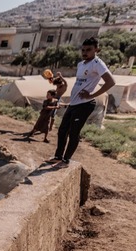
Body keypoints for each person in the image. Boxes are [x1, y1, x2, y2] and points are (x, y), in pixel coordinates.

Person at [46, 37, 115, 169]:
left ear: (96, 50)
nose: (85, 52)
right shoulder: (81, 64)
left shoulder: (97, 63)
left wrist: (92, 95)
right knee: (62, 130)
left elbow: (111, 82)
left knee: (73, 133)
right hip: (74, 103)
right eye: (83, 50)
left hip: (85, 104)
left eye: (89, 50)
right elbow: (80, 82)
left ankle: (65, 161)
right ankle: (58, 156)